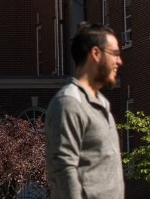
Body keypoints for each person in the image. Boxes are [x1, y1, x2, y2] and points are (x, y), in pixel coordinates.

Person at [46, 24, 125, 199]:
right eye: (115, 54)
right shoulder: (69, 103)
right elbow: (63, 168)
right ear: (95, 53)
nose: (119, 61)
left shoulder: (102, 104)